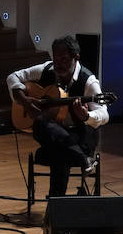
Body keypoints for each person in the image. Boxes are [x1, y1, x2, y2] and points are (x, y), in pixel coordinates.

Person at [7, 35, 109, 197]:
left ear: (76, 58)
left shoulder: (88, 81)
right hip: (51, 132)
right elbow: (13, 77)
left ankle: (55, 205)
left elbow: (104, 114)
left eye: (64, 60)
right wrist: (25, 102)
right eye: (56, 59)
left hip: (80, 136)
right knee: (41, 122)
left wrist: (86, 115)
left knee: (59, 154)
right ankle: (84, 161)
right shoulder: (47, 69)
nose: (59, 64)